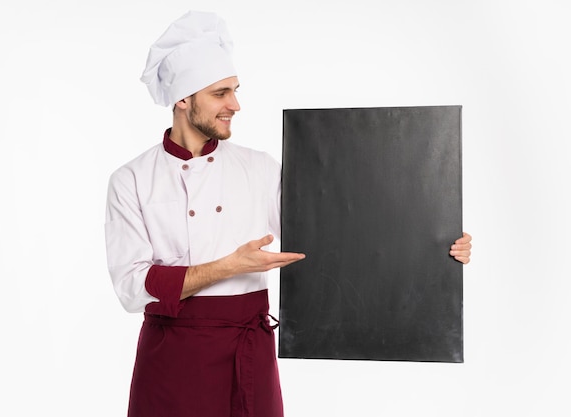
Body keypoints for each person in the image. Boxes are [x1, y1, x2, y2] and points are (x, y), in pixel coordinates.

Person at [104, 10, 473, 417]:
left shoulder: (259, 167)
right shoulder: (131, 180)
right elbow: (133, 288)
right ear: (182, 98)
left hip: (247, 351)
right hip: (170, 358)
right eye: (221, 93)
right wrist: (227, 266)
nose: (236, 104)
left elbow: (331, 240)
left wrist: (432, 247)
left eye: (236, 90)